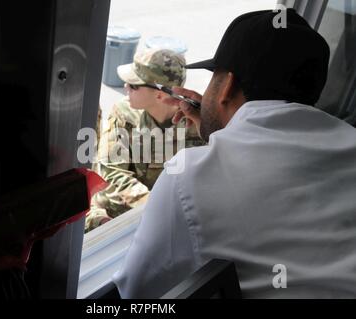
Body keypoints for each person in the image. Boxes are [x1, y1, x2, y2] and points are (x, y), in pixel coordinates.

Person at [112, 9, 356, 298]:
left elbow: (137, 293)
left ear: (226, 85)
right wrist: (223, 126)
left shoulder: (189, 176)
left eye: (213, 78)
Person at [85, 49, 204, 232]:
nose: (125, 87)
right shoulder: (125, 113)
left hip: (177, 217)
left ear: (160, 95)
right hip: (136, 212)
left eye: (134, 85)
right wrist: (158, 211)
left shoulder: (198, 122)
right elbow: (112, 175)